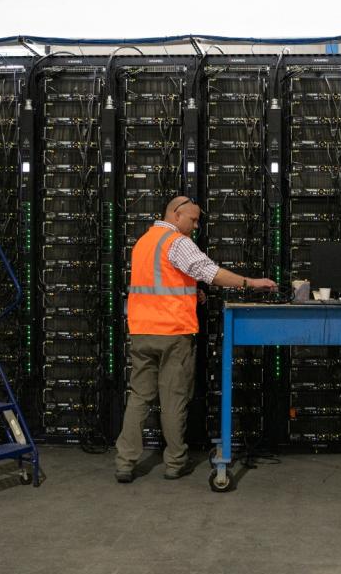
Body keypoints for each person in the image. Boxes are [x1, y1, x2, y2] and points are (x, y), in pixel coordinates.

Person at [114, 195, 277, 482]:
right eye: (192, 219)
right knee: (173, 399)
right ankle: (175, 463)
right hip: (173, 333)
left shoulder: (143, 242)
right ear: (176, 215)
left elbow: (159, 281)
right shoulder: (176, 242)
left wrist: (192, 292)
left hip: (141, 332)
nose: (196, 224)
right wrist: (251, 283)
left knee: (139, 397)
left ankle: (124, 462)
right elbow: (209, 272)